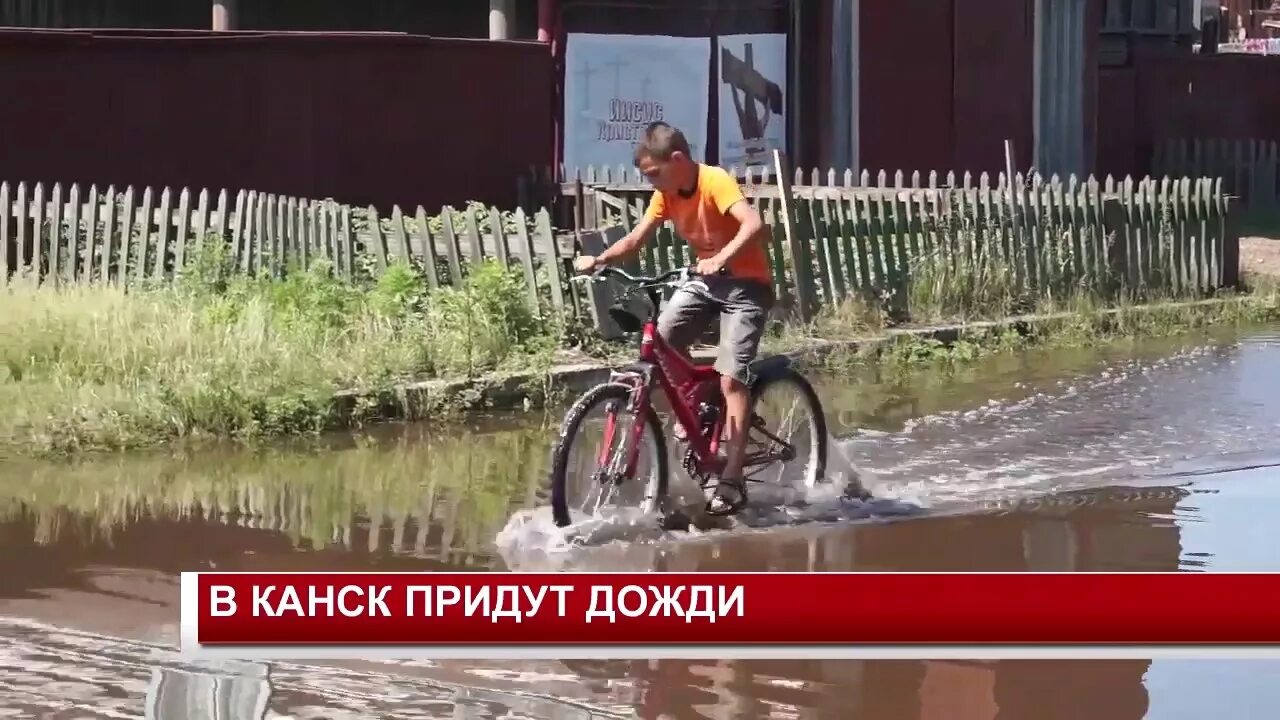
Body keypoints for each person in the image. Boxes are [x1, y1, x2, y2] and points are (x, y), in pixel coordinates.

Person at [573, 121, 775, 516]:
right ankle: (699, 407)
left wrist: (720, 259)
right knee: (660, 346)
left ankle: (732, 478)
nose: (650, 182)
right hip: (704, 283)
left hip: (746, 286)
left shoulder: (714, 181)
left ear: (678, 160)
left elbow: (754, 224)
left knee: (732, 377)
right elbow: (635, 240)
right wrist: (598, 260)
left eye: (653, 173)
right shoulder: (665, 195)